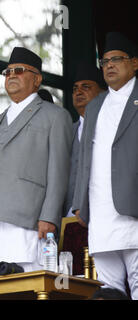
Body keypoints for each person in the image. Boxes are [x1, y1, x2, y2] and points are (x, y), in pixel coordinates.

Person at [0, 47, 72, 272]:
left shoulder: (55, 116)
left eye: (19, 71)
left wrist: (50, 216)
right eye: (7, 72)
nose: (11, 76)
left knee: (26, 277)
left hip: (28, 216)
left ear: (36, 79)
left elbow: (59, 172)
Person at [72, 31, 138, 299]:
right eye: (105, 61)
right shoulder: (96, 104)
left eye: (117, 59)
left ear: (134, 63)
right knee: (108, 288)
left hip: (133, 207)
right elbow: (85, 157)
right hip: (100, 212)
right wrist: (80, 202)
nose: (109, 65)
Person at [64, 62, 106, 218]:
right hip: (69, 215)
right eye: (75, 89)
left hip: (104, 212)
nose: (78, 92)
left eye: (86, 87)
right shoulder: (67, 132)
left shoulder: (111, 127)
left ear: (103, 93)